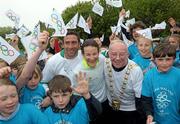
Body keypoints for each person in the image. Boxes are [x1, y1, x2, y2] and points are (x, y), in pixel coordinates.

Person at [104, 40, 145, 124]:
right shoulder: (104, 63)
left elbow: (139, 98)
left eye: (122, 54)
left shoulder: (136, 70)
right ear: (108, 54)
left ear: (128, 54)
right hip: (111, 107)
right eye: (114, 54)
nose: (118, 58)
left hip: (131, 111)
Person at [141, 42, 180, 124]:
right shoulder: (149, 76)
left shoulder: (178, 75)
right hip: (157, 120)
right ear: (154, 59)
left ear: (174, 58)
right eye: (160, 60)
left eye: (168, 59)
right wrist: (149, 114)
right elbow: (146, 100)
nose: (164, 63)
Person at [73, 39, 108, 123]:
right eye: (88, 55)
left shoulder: (102, 59)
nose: (92, 58)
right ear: (82, 55)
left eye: (94, 54)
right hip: (91, 105)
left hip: (105, 102)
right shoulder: (78, 72)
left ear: (99, 52)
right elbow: (77, 95)